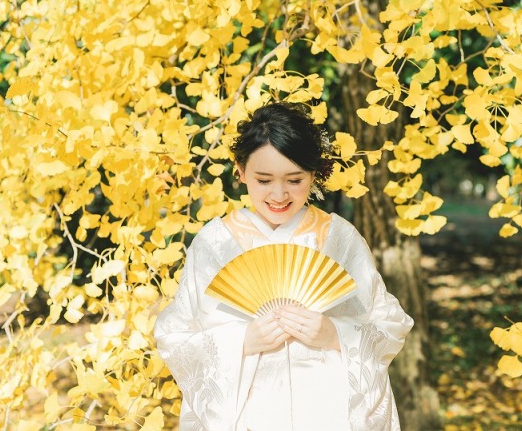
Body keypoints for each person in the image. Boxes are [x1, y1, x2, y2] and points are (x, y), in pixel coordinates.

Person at [154, 102, 414, 430]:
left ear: (314, 173)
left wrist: (334, 334)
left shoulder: (339, 238)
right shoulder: (215, 244)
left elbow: (389, 323)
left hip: (326, 408)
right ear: (240, 170)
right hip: (248, 416)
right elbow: (176, 336)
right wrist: (242, 341)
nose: (279, 194)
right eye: (263, 180)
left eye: (294, 179)